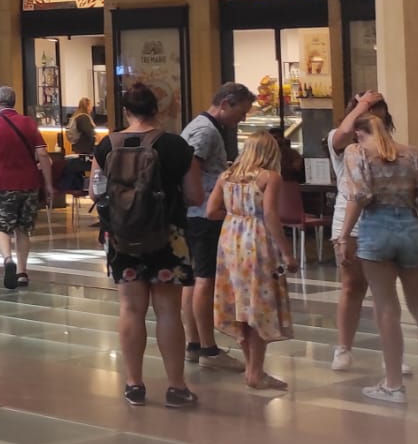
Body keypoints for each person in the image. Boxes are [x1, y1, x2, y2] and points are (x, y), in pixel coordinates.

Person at [339, 112, 418, 404]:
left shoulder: (359, 153)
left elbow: (360, 196)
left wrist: (344, 236)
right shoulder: (413, 155)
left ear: (358, 134)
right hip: (410, 228)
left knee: (386, 307)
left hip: (375, 228)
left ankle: (393, 385)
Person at [94, 84, 198, 408]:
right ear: (157, 110)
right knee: (168, 311)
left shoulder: (106, 146)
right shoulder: (176, 146)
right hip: (168, 237)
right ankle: (177, 388)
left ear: (126, 111)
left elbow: (94, 192)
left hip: (123, 237)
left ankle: (134, 384)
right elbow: (196, 196)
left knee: (130, 308)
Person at [328, 92, 409, 379]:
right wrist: (362, 104)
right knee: (352, 286)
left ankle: (393, 354)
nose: (376, 118)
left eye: (381, 113)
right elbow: (343, 134)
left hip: (384, 222)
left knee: (384, 292)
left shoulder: (393, 148)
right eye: (370, 112)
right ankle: (343, 347)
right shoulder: (342, 144)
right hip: (348, 222)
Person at [207, 131, 293, 390]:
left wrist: (236, 214)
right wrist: (287, 252)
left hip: (230, 241)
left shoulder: (226, 177)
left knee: (239, 304)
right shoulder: (270, 178)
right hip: (257, 241)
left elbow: (211, 211)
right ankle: (256, 372)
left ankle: (250, 368)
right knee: (258, 304)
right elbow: (270, 215)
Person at [180, 83, 257, 371]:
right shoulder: (207, 130)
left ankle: (194, 342)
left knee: (193, 279)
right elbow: (192, 164)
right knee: (204, 278)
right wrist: (203, 198)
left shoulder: (198, 125)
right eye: (242, 111)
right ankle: (208, 349)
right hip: (203, 215)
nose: (243, 118)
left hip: (194, 212)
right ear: (226, 103)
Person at [0, 86, 52, 289]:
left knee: (0, 226)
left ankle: (8, 259)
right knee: (23, 228)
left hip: (0, 184)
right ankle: (22, 272)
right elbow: (43, 155)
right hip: (29, 184)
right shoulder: (28, 123)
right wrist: (49, 184)